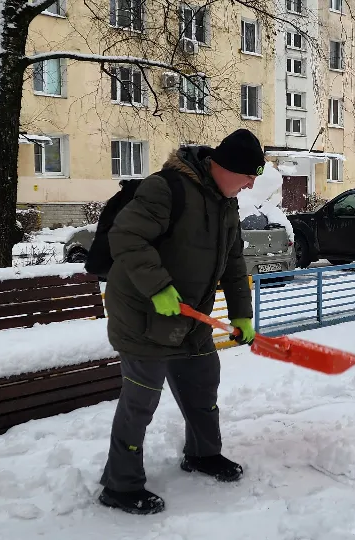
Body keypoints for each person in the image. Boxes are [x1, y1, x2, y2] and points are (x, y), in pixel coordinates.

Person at [97, 129, 265, 515]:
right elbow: (127, 237)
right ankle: (119, 485)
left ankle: (203, 455)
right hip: (142, 315)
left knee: (203, 383)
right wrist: (157, 287)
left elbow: (234, 262)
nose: (251, 184)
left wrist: (241, 312)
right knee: (140, 400)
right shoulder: (166, 188)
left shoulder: (226, 202)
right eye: (247, 175)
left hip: (191, 318)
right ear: (223, 167)